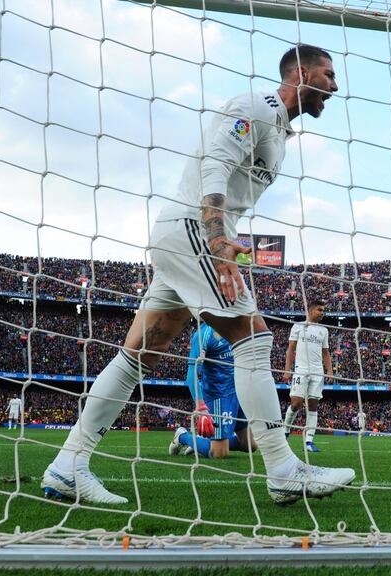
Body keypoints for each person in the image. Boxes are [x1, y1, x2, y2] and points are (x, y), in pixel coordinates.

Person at [41, 45, 354, 505]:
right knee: (253, 337)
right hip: (195, 230)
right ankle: (284, 470)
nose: (334, 85)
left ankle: (68, 465)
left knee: (142, 351)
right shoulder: (256, 107)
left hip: (183, 234)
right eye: (328, 75)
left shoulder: (280, 132)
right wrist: (217, 239)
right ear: (302, 73)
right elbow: (215, 164)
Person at [169, 322, 255, 459]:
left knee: (250, 445)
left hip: (238, 392)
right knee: (219, 453)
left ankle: (204, 443)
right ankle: (182, 437)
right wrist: (201, 407)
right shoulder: (203, 335)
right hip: (219, 396)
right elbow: (191, 375)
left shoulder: (235, 324)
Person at [282, 301, 332, 452]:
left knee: (313, 406)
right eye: (319, 310)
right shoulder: (298, 326)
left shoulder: (323, 330)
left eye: (323, 310)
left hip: (317, 372)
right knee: (296, 404)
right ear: (311, 310)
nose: (322, 312)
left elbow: (325, 353)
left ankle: (309, 441)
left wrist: (329, 371)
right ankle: (285, 432)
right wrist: (287, 370)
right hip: (301, 370)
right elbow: (291, 349)